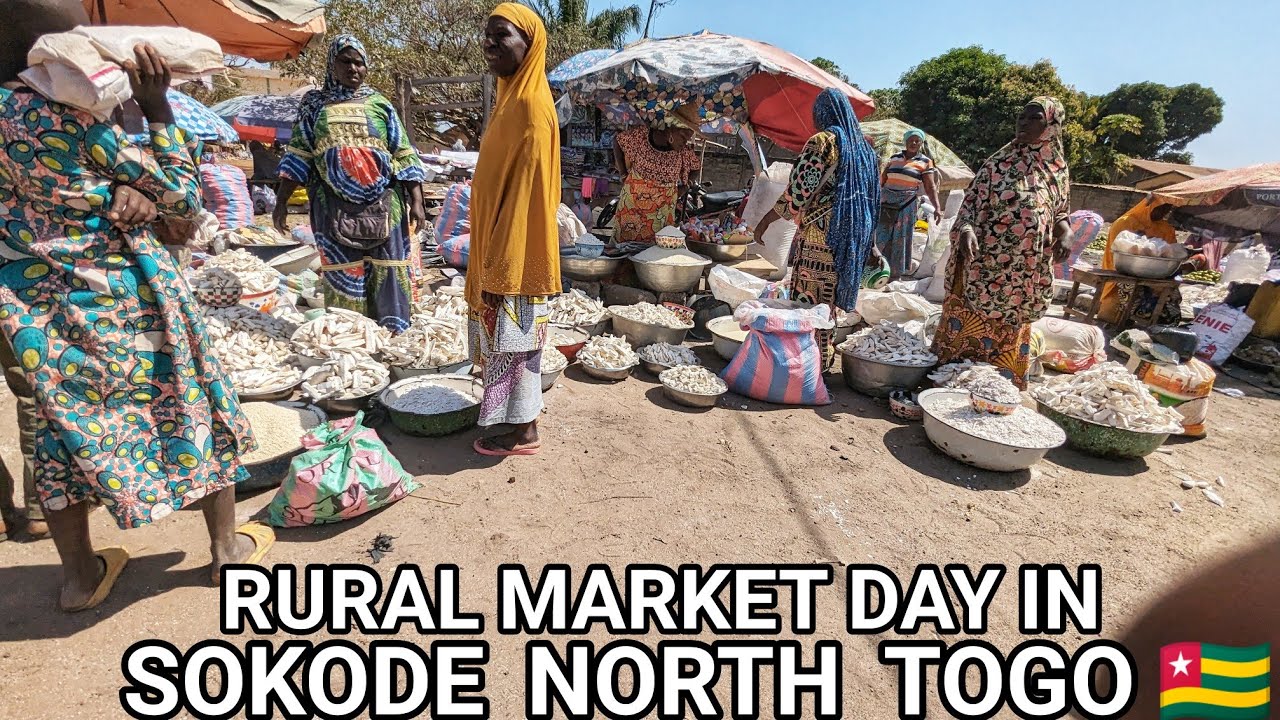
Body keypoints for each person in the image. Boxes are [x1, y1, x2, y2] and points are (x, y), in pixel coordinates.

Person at [0, 0, 273, 610]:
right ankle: (226, 550)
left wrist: (115, 189)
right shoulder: (65, 114)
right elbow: (178, 193)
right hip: (125, 298)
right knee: (185, 397)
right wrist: (156, 108)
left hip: (37, 312)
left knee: (58, 427)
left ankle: (77, 578)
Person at [274, 36, 427, 334]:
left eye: (360, 63)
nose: (354, 68)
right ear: (332, 64)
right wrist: (281, 202)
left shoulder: (380, 105)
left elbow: (404, 152)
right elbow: (299, 153)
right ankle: (353, 343)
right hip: (331, 206)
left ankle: (394, 339)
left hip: (386, 206)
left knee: (389, 272)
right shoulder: (315, 105)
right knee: (345, 275)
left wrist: (417, 201)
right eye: (346, 61)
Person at [466, 3, 561, 457]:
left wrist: (496, 266)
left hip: (514, 250)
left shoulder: (529, 106)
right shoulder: (511, 98)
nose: (489, 43)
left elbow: (525, 196)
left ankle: (523, 430)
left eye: (501, 35)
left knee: (515, 341)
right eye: (487, 34)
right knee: (510, 341)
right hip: (501, 245)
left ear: (530, 44)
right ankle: (516, 421)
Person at [931, 97, 1072, 389]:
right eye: (1021, 115)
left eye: (1033, 117)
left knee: (1010, 328)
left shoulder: (1057, 170)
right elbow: (969, 205)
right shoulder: (998, 163)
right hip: (983, 265)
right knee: (967, 322)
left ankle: (998, 388)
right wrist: (967, 230)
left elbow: (1060, 212)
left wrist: (1065, 233)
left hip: (1022, 273)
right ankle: (949, 383)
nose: (1022, 121)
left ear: (1052, 125)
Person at [753, 88, 881, 369]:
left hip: (822, 234)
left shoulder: (823, 143)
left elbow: (798, 191)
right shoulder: (866, 152)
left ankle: (805, 363)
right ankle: (823, 358)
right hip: (854, 236)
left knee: (809, 299)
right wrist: (871, 243)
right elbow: (873, 200)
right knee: (829, 302)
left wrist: (765, 221)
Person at [1098, 196, 1196, 326]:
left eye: (1167, 209)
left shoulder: (1166, 228)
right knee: (1128, 293)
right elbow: (1118, 252)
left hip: (1156, 273)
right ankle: (1124, 320)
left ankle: (1160, 326)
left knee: (1170, 293)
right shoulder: (1125, 223)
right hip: (1124, 271)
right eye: (1160, 208)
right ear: (1149, 206)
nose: (1163, 213)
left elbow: (1170, 252)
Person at [612, 106, 701, 245]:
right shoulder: (642, 136)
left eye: (688, 139)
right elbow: (618, 141)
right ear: (672, 129)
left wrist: (686, 186)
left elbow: (696, 168)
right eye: (683, 137)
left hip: (662, 214)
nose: (685, 143)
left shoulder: (683, 151)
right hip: (632, 209)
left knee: (655, 254)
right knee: (624, 250)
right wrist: (623, 174)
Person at [873, 128, 942, 279]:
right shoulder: (894, 158)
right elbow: (883, 180)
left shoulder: (925, 162)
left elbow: (930, 186)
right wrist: (875, 197)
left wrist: (937, 207)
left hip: (906, 205)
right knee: (879, 236)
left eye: (917, 140)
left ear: (921, 143)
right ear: (906, 141)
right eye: (911, 140)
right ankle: (874, 270)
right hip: (886, 204)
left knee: (901, 239)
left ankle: (894, 275)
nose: (914, 143)